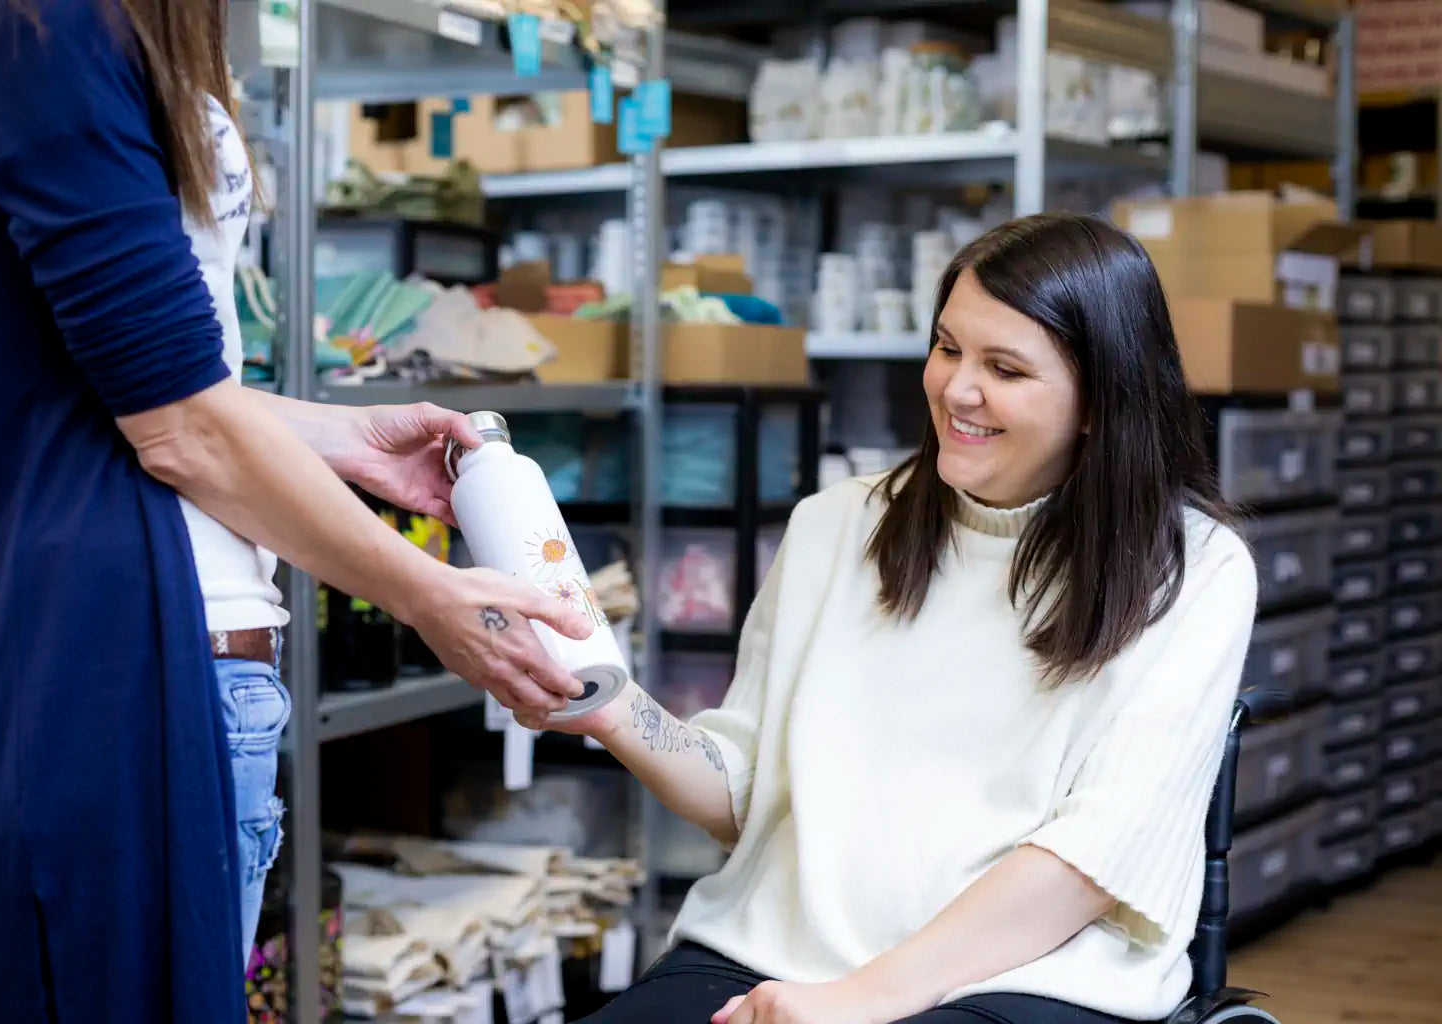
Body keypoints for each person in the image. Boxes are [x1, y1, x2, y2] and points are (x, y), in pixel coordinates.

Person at [0, 0, 592, 1018]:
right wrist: (428, 596)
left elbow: (123, 374)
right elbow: (179, 426)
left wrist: (343, 439)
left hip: (108, 657)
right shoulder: (40, 23)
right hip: (119, 674)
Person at [525, 214, 1261, 1024]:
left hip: (1025, 978)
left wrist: (860, 1001)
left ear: (1099, 400)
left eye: (1006, 369)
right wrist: (611, 706)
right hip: (768, 951)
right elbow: (744, 792)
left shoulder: (1195, 570)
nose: (956, 390)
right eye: (947, 349)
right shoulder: (833, 526)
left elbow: (1094, 857)